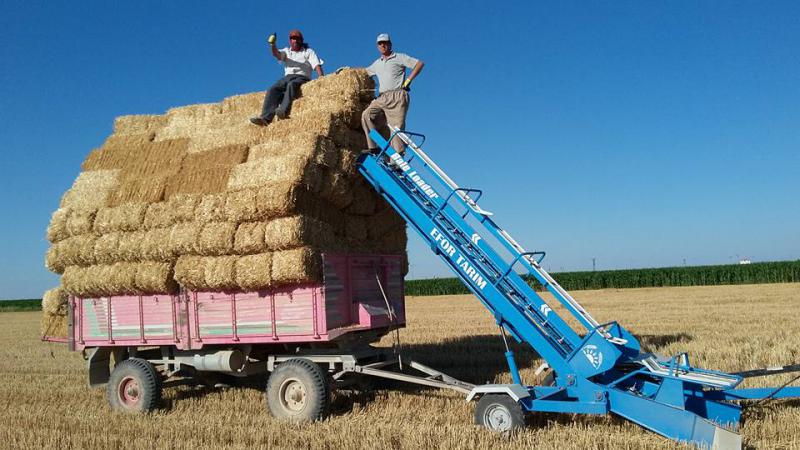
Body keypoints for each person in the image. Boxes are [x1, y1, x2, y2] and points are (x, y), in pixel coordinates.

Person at [361, 33, 424, 154]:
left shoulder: (399, 57)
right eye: (380, 43)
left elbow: (419, 64)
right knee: (366, 115)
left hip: (397, 96)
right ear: (377, 46)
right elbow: (363, 72)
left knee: (396, 129)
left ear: (390, 44)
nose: (383, 45)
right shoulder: (377, 63)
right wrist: (347, 70)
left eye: (385, 43)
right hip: (382, 97)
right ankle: (373, 147)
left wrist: (408, 81)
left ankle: (397, 161)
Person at [250, 29, 324, 126]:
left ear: (301, 40)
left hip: (303, 77)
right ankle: (265, 118)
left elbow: (316, 64)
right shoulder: (287, 51)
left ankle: (283, 111)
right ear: (290, 41)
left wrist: (321, 78)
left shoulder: (308, 52)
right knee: (273, 89)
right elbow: (276, 54)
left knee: (291, 85)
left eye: (297, 39)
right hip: (287, 77)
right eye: (293, 39)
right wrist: (272, 44)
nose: (295, 41)